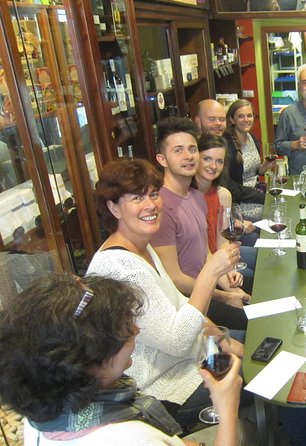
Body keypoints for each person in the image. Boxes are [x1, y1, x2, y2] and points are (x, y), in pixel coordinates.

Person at [86, 158, 244, 430]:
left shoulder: (142, 248)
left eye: (154, 194)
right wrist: (210, 273)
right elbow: (176, 341)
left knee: (258, 343)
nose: (151, 205)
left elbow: (179, 302)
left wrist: (219, 336)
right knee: (262, 373)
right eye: (137, 198)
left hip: (194, 354)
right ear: (113, 208)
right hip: (165, 388)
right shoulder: (122, 269)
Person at [0, 273, 245, 445]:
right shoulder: (128, 438)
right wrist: (227, 408)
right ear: (90, 359)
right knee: (248, 430)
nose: (136, 331)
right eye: (126, 330)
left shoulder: (41, 419)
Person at [150, 117, 252, 329]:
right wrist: (224, 296)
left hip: (210, 287)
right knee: (256, 323)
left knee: (266, 299)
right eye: (178, 150)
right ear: (162, 159)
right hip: (188, 302)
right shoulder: (160, 207)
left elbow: (206, 253)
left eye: (192, 149)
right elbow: (175, 279)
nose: (188, 156)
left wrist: (225, 282)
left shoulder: (196, 197)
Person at [193, 133, 258, 252]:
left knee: (263, 257)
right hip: (201, 263)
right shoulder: (188, 197)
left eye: (219, 161)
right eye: (207, 159)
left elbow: (222, 240)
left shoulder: (223, 195)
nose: (213, 166)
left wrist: (228, 268)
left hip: (219, 256)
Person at [222, 99, 273, 221]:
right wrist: (262, 197)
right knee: (276, 215)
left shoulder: (252, 137)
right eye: (241, 116)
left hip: (256, 191)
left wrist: (264, 167)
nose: (246, 120)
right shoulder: (226, 144)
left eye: (249, 115)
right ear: (232, 119)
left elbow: (253, 172)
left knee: (284, 205)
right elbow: (230, 187)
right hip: (241, 202)